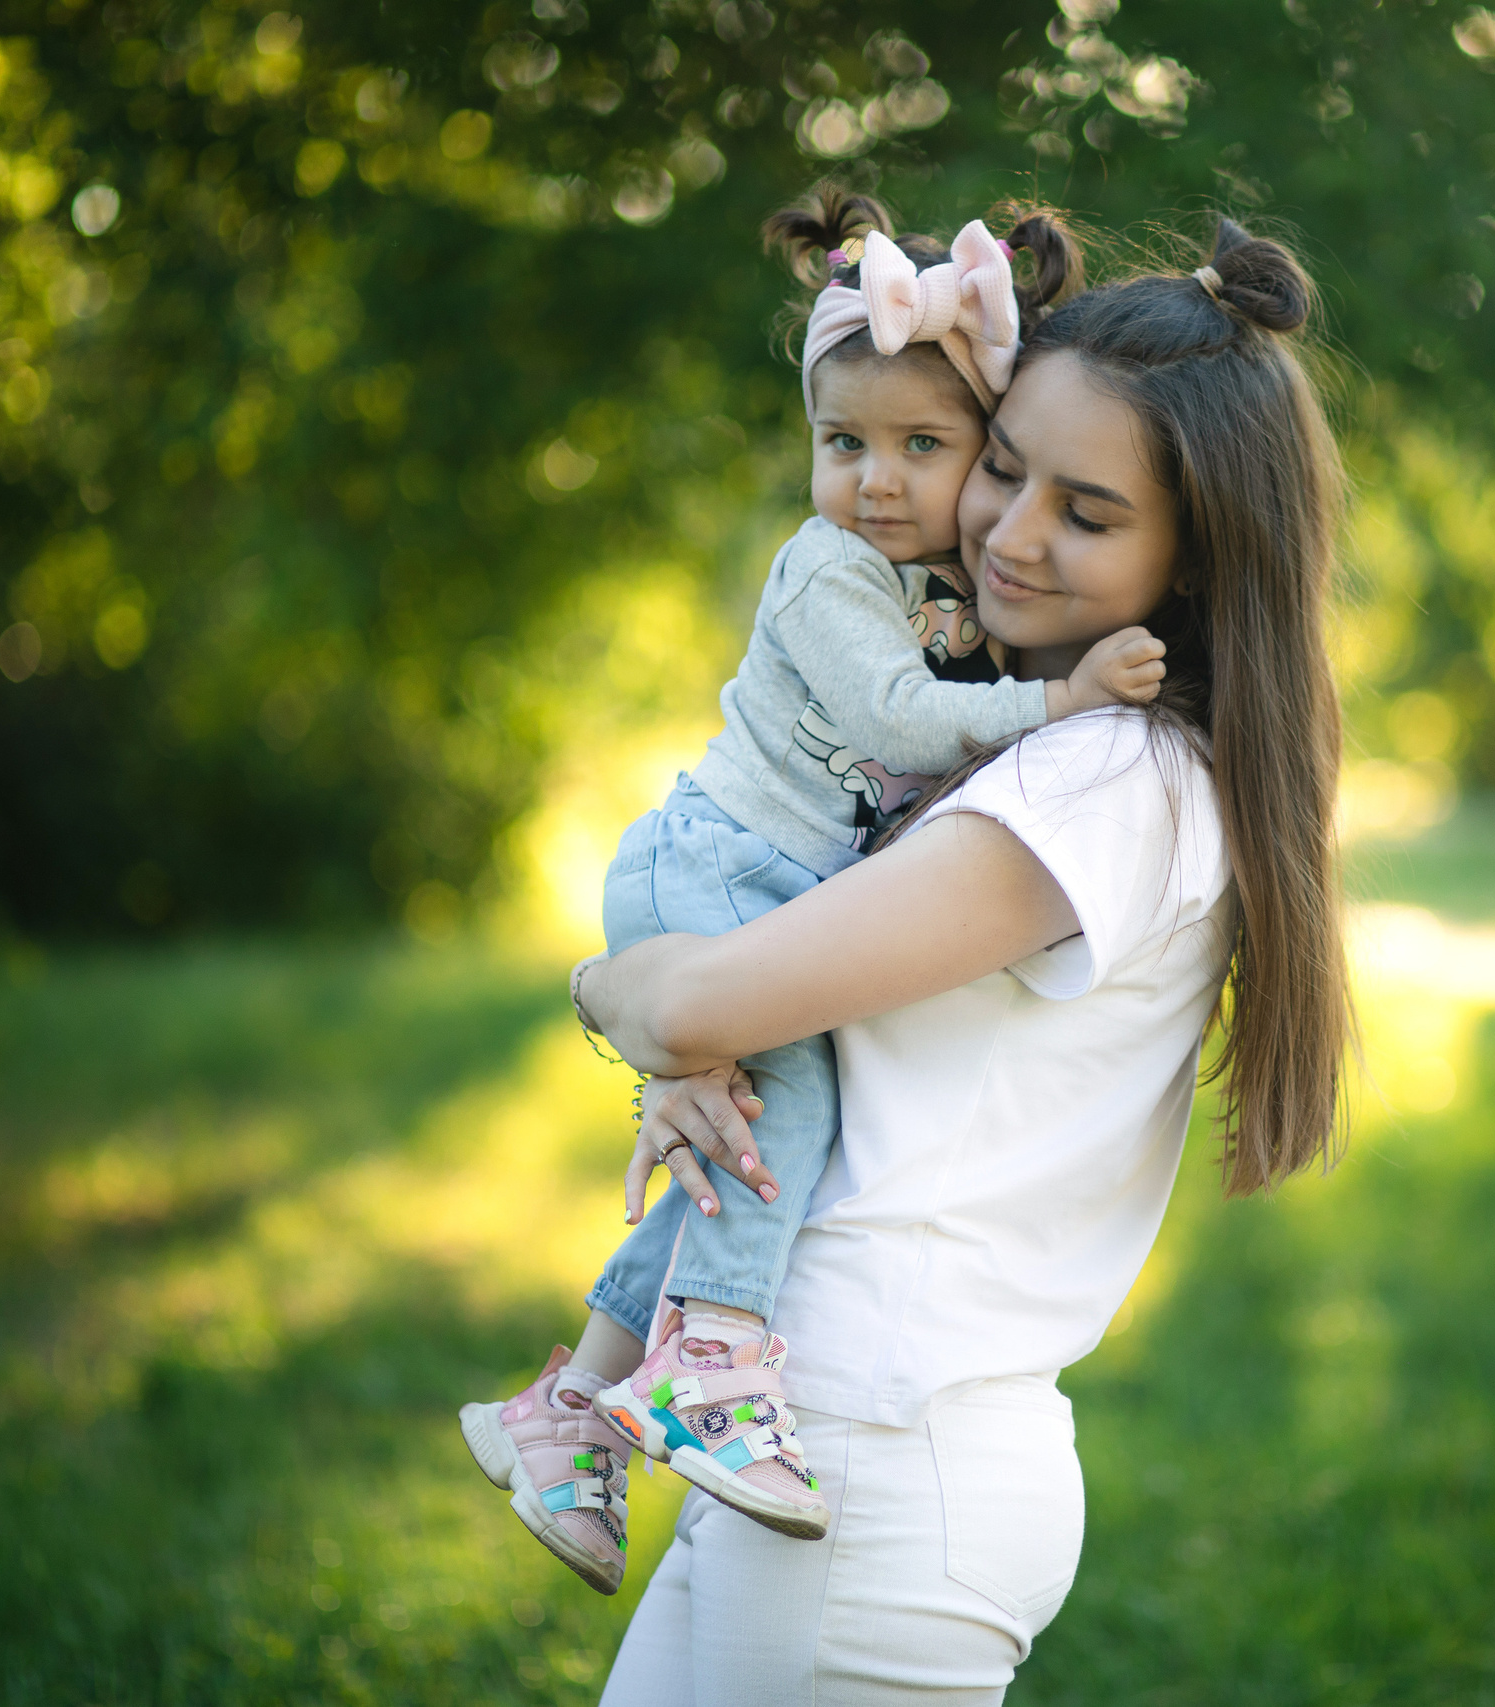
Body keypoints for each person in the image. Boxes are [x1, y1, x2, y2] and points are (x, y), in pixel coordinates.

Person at [573, 214, 1353, 1702]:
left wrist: (610, 994)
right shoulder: (1073, 749)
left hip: (874, 1462)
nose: (1007, 531)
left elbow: (686, 1001)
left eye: (1089, 511)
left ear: (1194, 565)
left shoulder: (1095, 779)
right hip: (822, 1438)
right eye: (1003, 467)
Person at [457, 189, 1163, 1593]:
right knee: (796, 1109)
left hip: (768, 889)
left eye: (923, 447)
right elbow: (904, 727)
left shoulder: (949, 580)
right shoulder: (829, 571)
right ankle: (707, 1372)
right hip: (716, 866)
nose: (879, 481)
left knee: (737, 1142)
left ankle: (564, 1410)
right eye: (844, 445)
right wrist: (1059, 698)